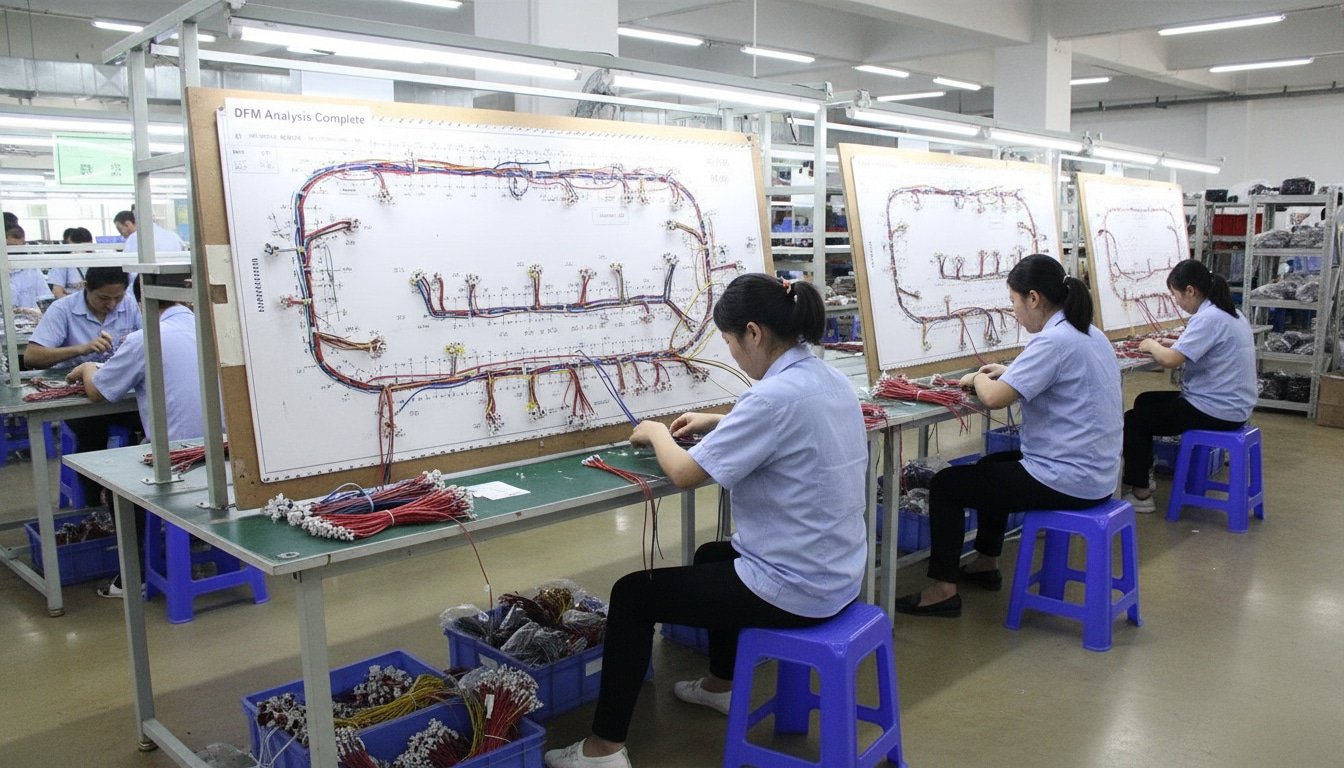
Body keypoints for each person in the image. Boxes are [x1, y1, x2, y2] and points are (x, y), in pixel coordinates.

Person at [543, 274, 868, 768]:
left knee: (632, 596)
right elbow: (786, 424)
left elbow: (684, 473)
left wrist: (656, 433)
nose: (732, 354)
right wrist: (718, 421)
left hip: (799, 588)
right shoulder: (828, 378)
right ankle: (720, 684)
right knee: (712, 554)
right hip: (839, 573)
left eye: (731, 342)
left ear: (754, 333)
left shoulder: (771, 399)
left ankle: (603, 749)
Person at [894, 254, 1122, 618]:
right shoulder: (1088, 333)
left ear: (1033, 298)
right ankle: (986, 562)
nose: (1013, 311)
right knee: (991, 465)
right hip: (1097, 473)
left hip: (1068, 479)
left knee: (947, 486)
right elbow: (1048, 372)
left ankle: (942, 591)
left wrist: (977, 378)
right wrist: (1011, 371)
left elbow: (995, 399)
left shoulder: (1053, 342)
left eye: (1014, 301)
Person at [66, 274, 202, 597]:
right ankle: (191, 547)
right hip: (225, 451)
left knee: (118, 484)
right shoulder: (208, 327)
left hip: (180, 458)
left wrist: (87, 368)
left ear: (142, 302)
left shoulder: (146, 338)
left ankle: (135, 576)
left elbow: (98, 391)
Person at [1120, 259, 1256, 513]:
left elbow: (1170, 361)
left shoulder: (1208, 318)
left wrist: (1152, 345)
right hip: (1234, 405)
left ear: (1190, 291)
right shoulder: (1230, 313)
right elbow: (1198, 346)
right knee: (1145, 400)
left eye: (1176, 296)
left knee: (1134, 421)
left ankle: (1141, 494)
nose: (1177, 303)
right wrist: (1173, 343)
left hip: (1216, 409)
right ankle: (1144, 473)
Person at [25, 267, 144, 507]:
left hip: (121, 396)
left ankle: (132, 499)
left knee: (146, 428)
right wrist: (82, 349)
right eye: (104, 298)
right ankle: (94, 504)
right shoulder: (63, 309)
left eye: (117, 297)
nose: (111, 305)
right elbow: (32, 357)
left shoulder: (130, 306)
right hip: (82, 402)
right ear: (86, 288)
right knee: (91, 437)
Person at [4, 225, 49, 317]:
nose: (14, 252)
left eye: (18, 248)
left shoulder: (32, 270)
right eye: (10, 247)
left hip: (31, 320)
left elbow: (45, 299)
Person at [47, 227, 95, 298]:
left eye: (88, 250)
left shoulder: (96, 260)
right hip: (73, 301)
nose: (86, 252)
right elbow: (57, 291)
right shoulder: (64, 262)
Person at [114, 209, 185, 255]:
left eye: (120, 229)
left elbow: (126, 263)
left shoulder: (133, 239)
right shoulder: (173, 235)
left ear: (128, 224)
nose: (121, 234)